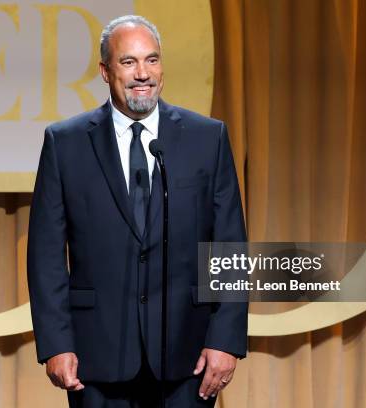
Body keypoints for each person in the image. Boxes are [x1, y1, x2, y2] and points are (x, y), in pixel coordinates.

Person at [27, 15, 248, 407]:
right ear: (105, 71)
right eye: (128, 62)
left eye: (152, 60)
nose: (142, 73)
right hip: (96, 359)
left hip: (189, 357)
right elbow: (45, 255)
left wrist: (225, 340)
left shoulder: (206, 138)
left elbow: (230, 248)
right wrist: (56, 343)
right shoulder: (66, 144)